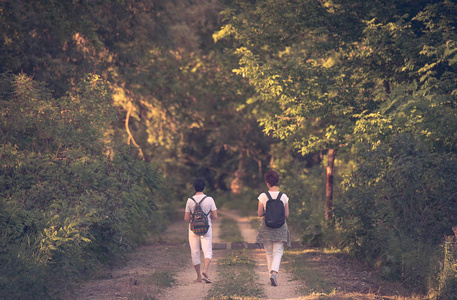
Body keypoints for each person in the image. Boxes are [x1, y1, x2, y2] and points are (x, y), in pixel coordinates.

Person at [256, 170, 291, 286]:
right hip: (281, 228)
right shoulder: (284, 197)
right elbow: (286, 215)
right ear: (277, 181)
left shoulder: (263, 196)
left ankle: (270, 275)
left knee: (269, 254)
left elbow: (260, 213)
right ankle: (274, 273)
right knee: (278, 252)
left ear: (267, 182)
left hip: (267, 227)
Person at [184, 177, 218, 284]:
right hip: (206, 228)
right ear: (204, 187)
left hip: (193, 229)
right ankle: (205, 270)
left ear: (193, 187)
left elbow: (186, 218)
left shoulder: (190, 200)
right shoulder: (210, 199)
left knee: (195, 252)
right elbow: (215, 216)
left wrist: (194, 219)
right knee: (207, 250)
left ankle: (198, 277)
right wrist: (207, 218)